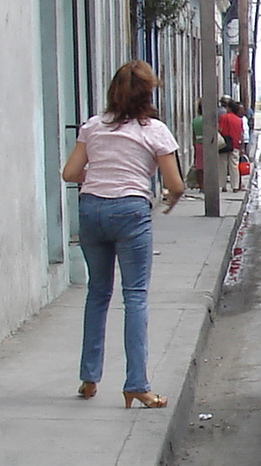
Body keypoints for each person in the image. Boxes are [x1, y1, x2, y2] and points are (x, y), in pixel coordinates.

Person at [61, 60, 184, 409]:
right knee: (135, 297)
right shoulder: (154, 131)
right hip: (130, 212)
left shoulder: (93, 126)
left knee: (97, 293)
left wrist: (102, 175)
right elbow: (174, 183)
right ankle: (137, 384)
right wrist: (170, 200)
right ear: (147, 94)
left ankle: (89, 377)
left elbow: (71, 172)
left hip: (91, 210)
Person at [218, 100, 244, 191]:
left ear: (229, 108)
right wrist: (242, 147)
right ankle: (235, 186)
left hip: (224, 144)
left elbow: (220, 129)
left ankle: (223, 185)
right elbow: (241, 134)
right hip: (235, 144)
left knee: (223, 165)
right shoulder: (239, 120)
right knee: (234, 165)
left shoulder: (224, 117)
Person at [191, 102, 204, 190]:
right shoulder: (208, 119)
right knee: (209, 166)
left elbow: (193, 135)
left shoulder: (195, 120)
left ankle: (201, 186)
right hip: (208, 144)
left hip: (198, 144)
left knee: (199, 166)